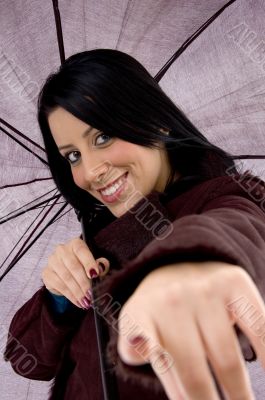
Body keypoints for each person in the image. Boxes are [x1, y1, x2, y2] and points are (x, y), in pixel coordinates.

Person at [4, 49, 265, 400]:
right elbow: (28, 362)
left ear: (154, 121)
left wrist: (187, 265)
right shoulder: (95, 240)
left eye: (102, 137)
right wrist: (59, 296)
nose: (91, 171)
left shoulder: (224, 199)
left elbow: (240, 234)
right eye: (73, 156)